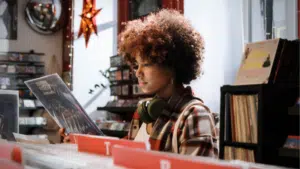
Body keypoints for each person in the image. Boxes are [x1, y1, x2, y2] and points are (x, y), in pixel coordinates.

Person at [60, 9, 218, 158]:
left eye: (147, 64)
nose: (137, 72)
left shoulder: (195, 115)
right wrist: (79, 142)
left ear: (172, 65)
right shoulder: (144, 112)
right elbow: (119, 153)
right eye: (136, 65)